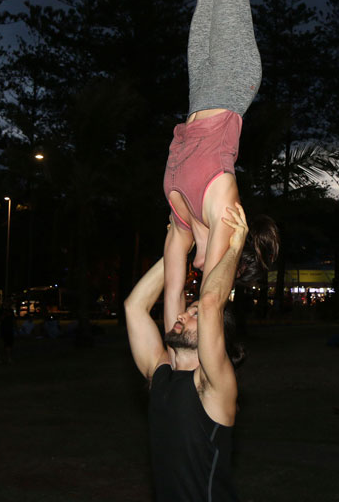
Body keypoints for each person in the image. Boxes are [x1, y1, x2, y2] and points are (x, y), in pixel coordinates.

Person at [162, 0, 278, 333]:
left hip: (198, 88)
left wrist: (175, 333)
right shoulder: (224, 210)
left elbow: (172, 286)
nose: (195, 272)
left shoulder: (184, 221)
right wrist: (222, 268)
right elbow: (211, 295)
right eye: (208, 275)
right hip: (231, 84)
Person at [125, 202, 248, 502]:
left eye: (192, 314)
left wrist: (234, 247)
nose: (182, 316)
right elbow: (135, 307)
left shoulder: (213, 385)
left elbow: (209, 304)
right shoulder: (161, 373)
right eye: (188, 312)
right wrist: (180, 244)